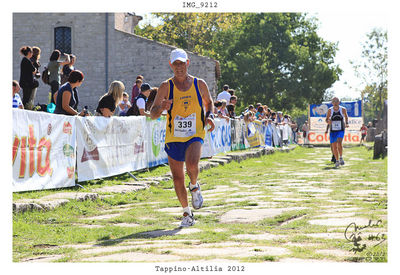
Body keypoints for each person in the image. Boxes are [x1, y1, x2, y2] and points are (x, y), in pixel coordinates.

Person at [150, 48, 215, 227]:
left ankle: (194, 185)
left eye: (182, 63)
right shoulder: (165, 86)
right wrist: (162, 106)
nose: (179, 67)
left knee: (192, 164)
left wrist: (209, 116)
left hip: (195, 132)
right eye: (176, 64)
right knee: (177, 178)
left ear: (188, 63)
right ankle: (187, 213)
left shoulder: (199, 84)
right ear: (171, 65)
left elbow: (209, 103)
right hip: (174, 136)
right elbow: (153, 114)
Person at [326, 97, 349, 168]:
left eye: (336, 101)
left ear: (339, 102)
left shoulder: (343, 109)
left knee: (339, 142)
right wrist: (328, 121)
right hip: (333, 130)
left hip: (340, 129)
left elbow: (346, 116)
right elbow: (326, 119)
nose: (335, 103)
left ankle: (341, 157)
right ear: (332, 103)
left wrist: (347, 123)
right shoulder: (330, 110)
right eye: (334, 101)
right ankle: (337, 160)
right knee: (334, 146)